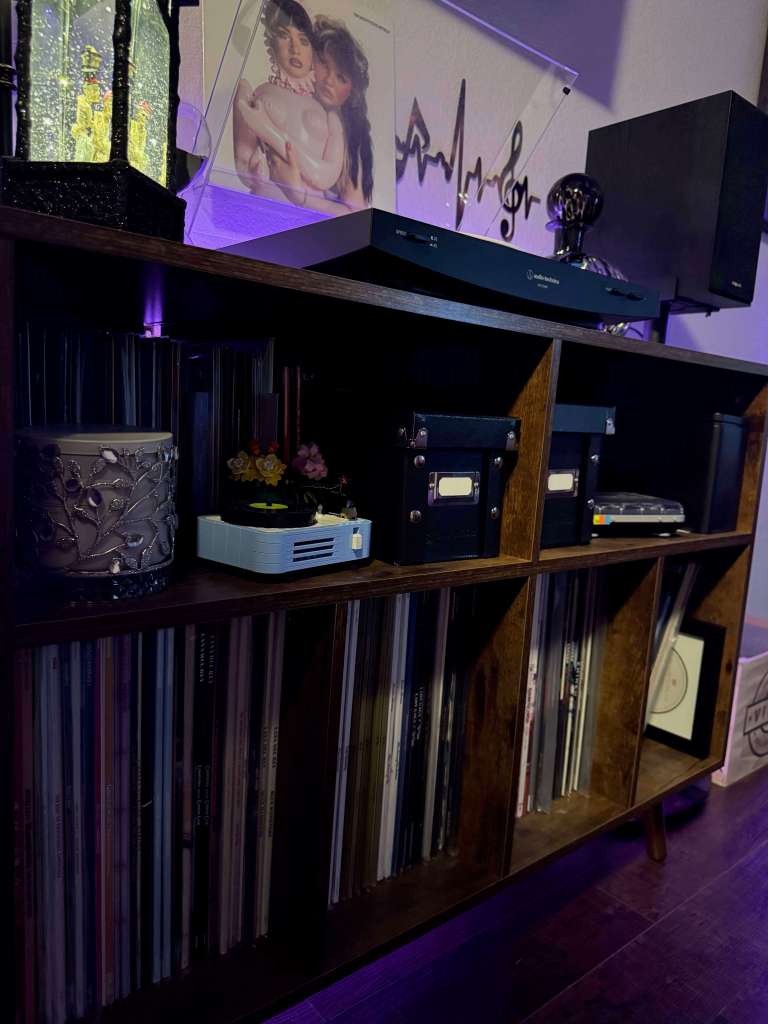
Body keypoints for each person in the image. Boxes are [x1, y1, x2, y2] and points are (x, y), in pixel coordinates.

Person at [232, 0, 345, 200]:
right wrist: (256, 169)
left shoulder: (330, 117)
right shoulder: (256, 92)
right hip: (263, 207)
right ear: (271, 41)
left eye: (304, 40)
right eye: (284, 36)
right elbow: (245, 168)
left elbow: (324, 177)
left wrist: (267, 130)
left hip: (310, 214)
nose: (295, 49)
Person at [266, 15, 375, 212]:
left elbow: (355, 214)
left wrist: (299, 195)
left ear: (352, 91)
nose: (329, 80)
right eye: (324, 63)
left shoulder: (346, 138)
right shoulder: (290, 96)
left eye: (341, 77)